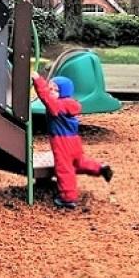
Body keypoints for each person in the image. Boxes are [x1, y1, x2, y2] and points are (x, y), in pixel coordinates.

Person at [32, 71, 113, 209]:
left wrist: (38, 80)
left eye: (54, 89)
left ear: (63, 92)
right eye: (49, 88)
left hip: (62, 141)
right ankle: (100, 168)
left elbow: (46, 98)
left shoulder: (58, 105)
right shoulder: (69, 103)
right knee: (78, 162)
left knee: (64, 168)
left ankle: (68, 198)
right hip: (74, 140)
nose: (50, 91)